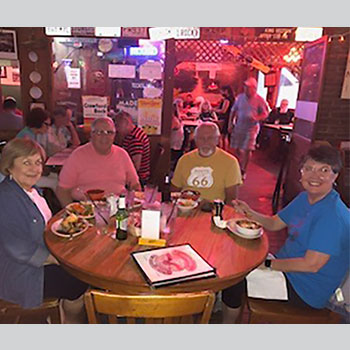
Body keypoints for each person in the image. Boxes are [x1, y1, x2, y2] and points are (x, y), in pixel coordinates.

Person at [221, 144, 350, 323]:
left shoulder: (332, 216)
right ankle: (226, 305)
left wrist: (266, 264)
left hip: (305, 290)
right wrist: (249, 212)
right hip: (287, 271)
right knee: (236, 256)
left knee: (235, 278)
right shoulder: (306, 198)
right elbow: (275, 223)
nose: (315, 176)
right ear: (301, 171)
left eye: (324, 170)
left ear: (335, 175)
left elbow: (311, 265)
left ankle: (226, 324)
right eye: (309, 168)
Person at [0, 138, 88, 322]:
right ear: (9, 165)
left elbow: (46, 223)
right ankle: (70, 322)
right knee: (79, 281)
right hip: (22, 272)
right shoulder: (6, 197)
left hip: (40, 258)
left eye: (38, 162)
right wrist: (58, 260)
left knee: (80, 268)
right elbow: (17, 248)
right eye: (26, 163)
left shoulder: (32, 191)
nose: (35, 168)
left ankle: (63, 312)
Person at [56, 117, 140, 207]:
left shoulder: (122, 154)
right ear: (91, 135)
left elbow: (135, 185)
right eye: (100, 132)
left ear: (114, 136)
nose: (105, 136)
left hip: (118, 208)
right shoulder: (77, 156)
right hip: (86, 209)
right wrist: (73, 213)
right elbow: (62, 190)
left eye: (109, 132)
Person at [171, 122, 242, 204]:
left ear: (218, 140)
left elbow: (231, 200)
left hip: (213, 211)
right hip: (186, 209)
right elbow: (175, 190)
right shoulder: (184, 160)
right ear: (195, 139)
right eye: (201, 138)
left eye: (210, 138)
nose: (205, 142)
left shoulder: (231, 162)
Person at [228, 78, 269, 179]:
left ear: (254, 89)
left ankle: (243, 170)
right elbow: (233, 111)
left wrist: (257, 117)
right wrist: (230, 123)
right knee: (237, 148)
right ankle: (238, 165)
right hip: (239, 126)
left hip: (251, 128)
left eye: (248, 87)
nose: (246, 89)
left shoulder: (259, 100)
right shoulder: (240, 98)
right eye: (245, 87)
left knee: (247, 148)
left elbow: (265, 113)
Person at [114, 111, 151, 187]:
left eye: (117, 125)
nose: (116, 129)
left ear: (126, 123)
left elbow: (135, 167)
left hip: (139, 178)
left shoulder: (135, 139)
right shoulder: (133, 133)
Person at [171, 101, 185, 171]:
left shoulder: (173, 120)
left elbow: (165, 131)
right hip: (176, 147)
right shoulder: (176, 119)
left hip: (174, 149)